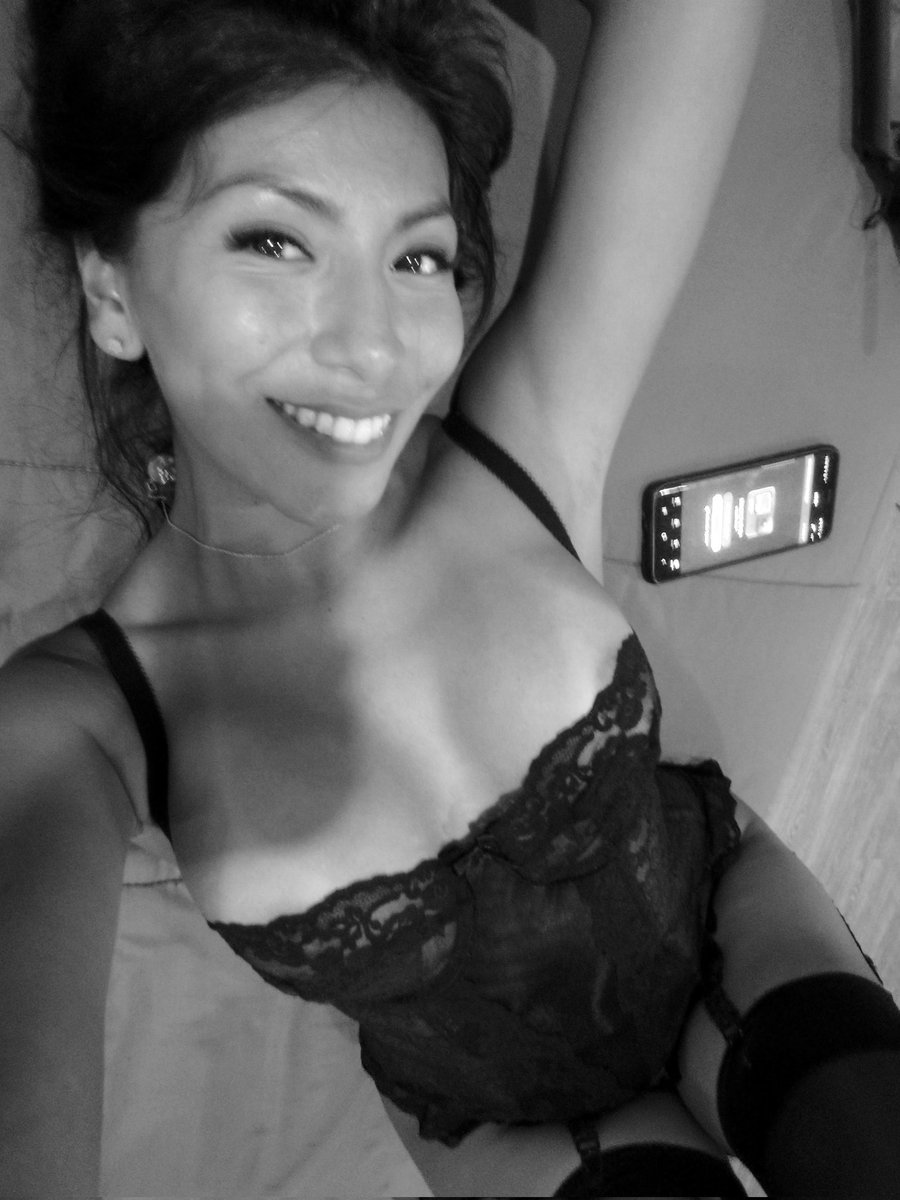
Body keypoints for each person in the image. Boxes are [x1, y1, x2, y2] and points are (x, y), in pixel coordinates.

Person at [1, 0, 899, 1195]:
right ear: (111, 289)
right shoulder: (72, 721)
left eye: (417, 257)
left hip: (730, 930)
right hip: (500, 1126)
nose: (376, 346)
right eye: (274, 241)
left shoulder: (524, 439)